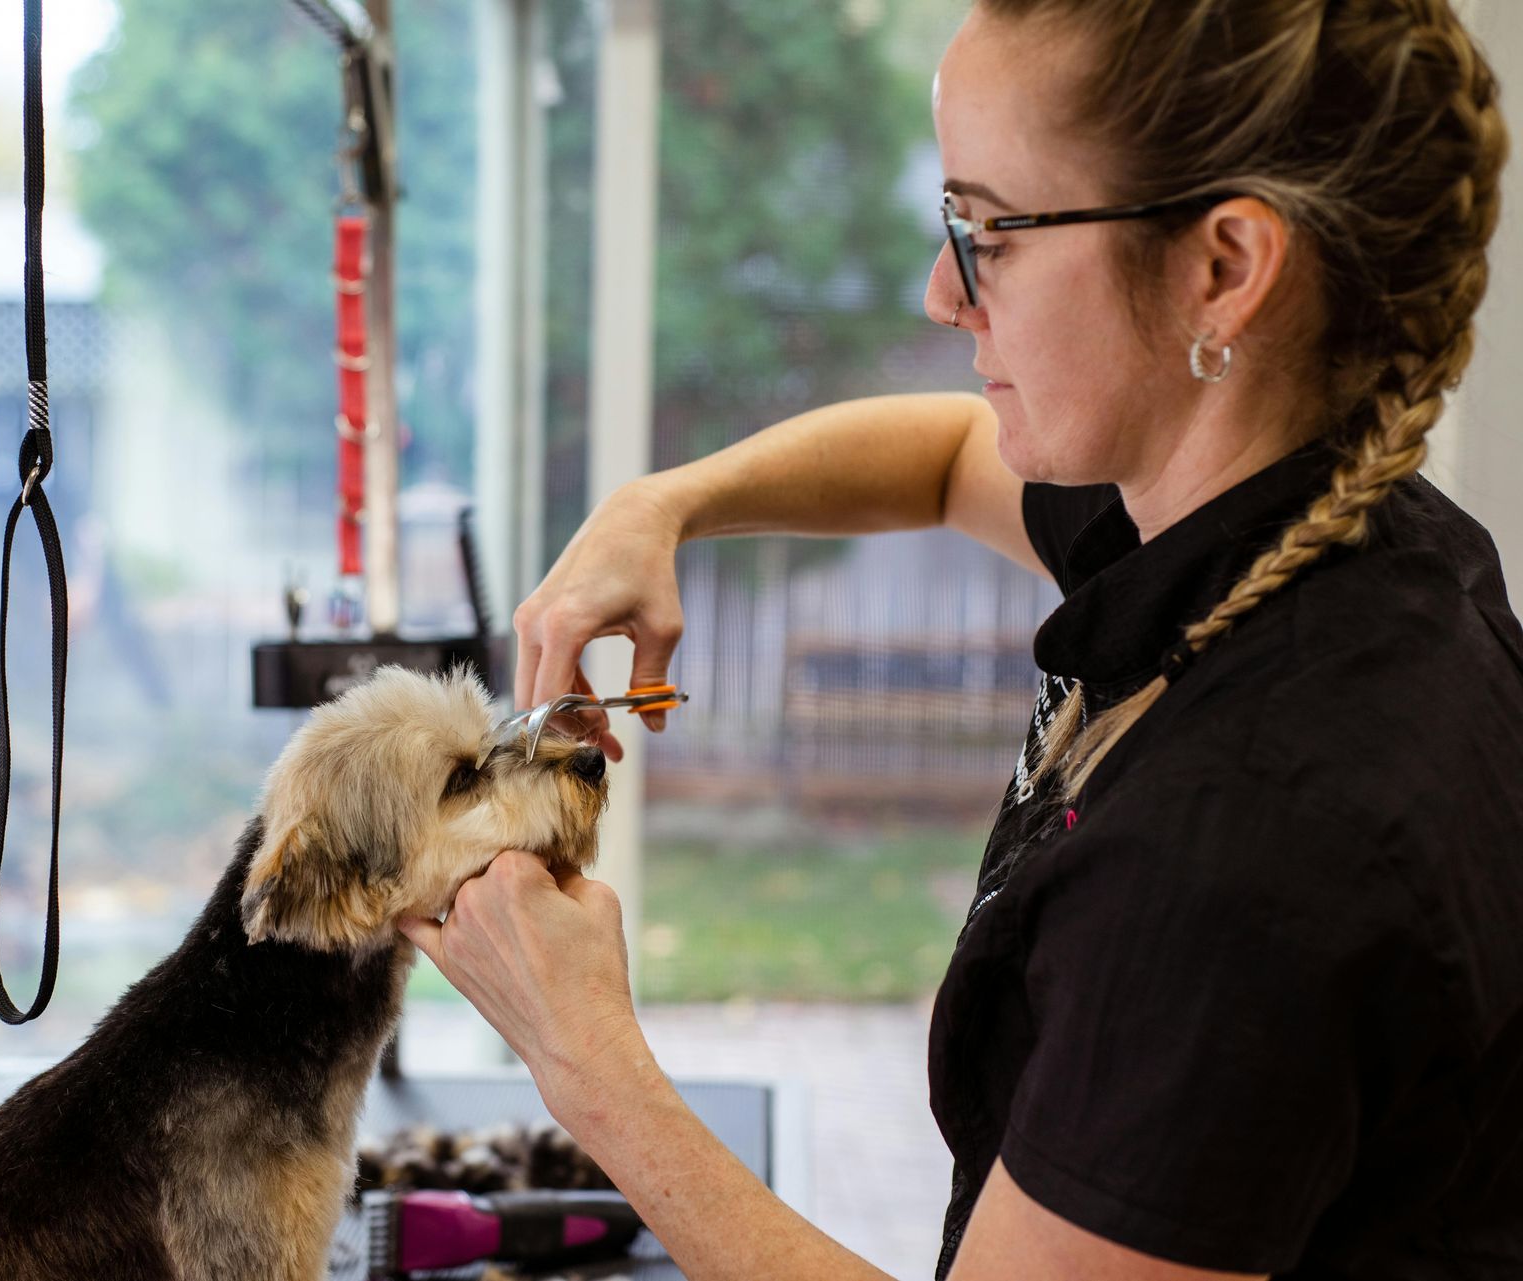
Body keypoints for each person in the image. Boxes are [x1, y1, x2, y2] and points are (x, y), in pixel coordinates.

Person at [398, 2, 1523, 1277]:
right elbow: (940, 460)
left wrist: (589, 1069)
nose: (942, 294)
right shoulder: (1300, 527)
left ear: (1223, 267)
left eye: (988, 231)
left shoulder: (1253, 853)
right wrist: (662, 506)